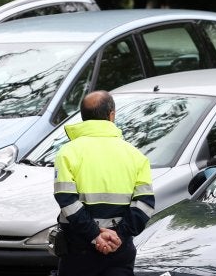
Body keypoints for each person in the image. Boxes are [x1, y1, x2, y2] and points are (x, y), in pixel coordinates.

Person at [53, 90, 155, 276]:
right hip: (119, 252)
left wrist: (94, 235)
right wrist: (118, 237)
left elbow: (66, 200)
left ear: (83, 117)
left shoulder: (67, 153)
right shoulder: (136, 156)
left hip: (78, 250)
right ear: (111, 115)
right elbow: (145, 205)